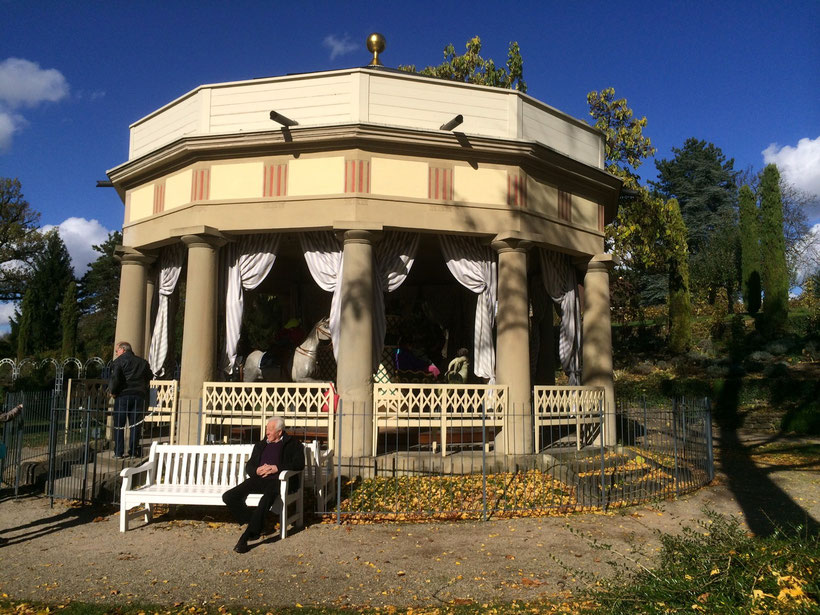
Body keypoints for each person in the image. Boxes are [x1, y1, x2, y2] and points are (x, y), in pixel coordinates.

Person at [222, 417, 305, 553]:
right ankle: (258, 524)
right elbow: (249, 466)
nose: (267, 432)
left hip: (279, 481)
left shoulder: (293, 444)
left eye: (271, 429)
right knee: (229, 496)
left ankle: (246, 537)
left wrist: (276, 468)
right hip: (259, 479)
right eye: (267, 428)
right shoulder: (261, 444)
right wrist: (256, 470)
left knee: (265, 500)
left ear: (280, 431)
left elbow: (299, 464)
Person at [109, 341, 152, 459]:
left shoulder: (118, 362)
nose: (116, 353)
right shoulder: (143, 362)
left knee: (119, 424)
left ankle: (118, 452)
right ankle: (133, 452)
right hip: (139, 396)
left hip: (123, 395)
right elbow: (150, 376)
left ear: (123, 349)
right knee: (135, 425)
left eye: (117, 350)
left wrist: (113, 391)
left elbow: (116, 378)